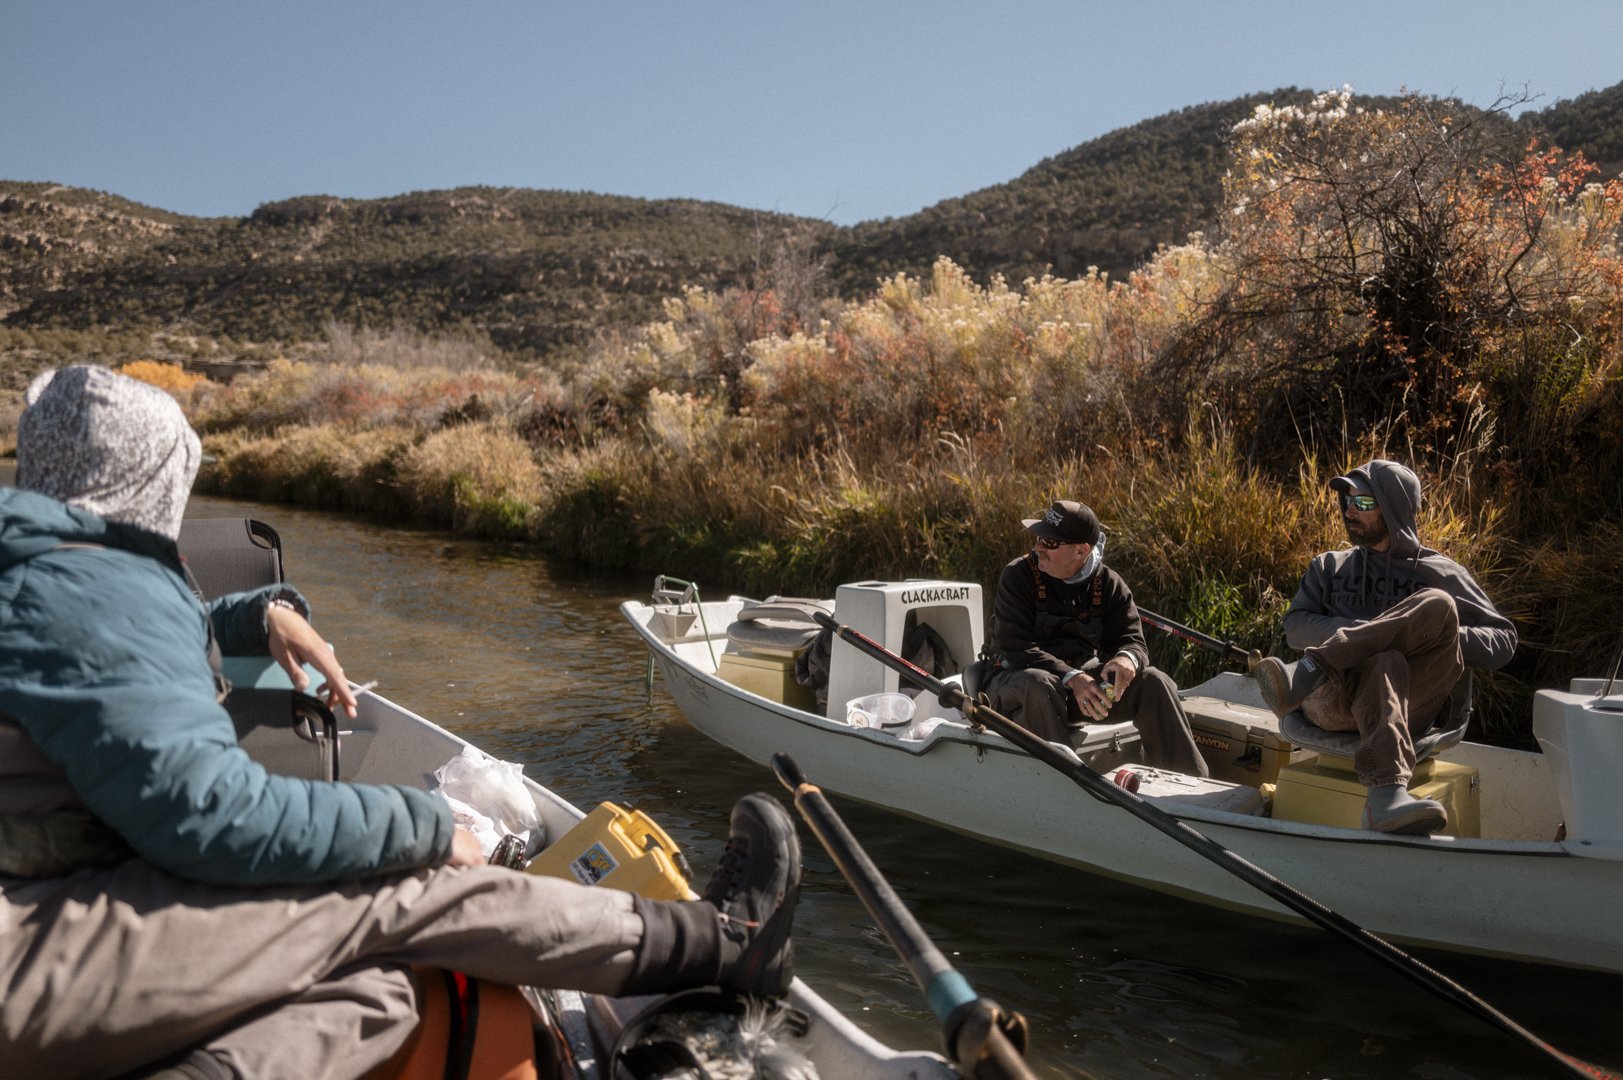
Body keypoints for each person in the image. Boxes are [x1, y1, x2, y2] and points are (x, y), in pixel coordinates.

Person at [0, 366, 800, 1080]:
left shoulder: (41, 569)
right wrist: (419, 820)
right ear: (151, 478)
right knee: (397, 890)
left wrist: (253, 617)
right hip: (26, 953)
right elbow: (216, 819)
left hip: (42, 920)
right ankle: (722, 941)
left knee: (381, 989)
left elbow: (98, 668)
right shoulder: (87, 590)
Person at [1253, 459, 1517, 835]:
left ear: (1395, 508)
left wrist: (1428, 637)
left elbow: (1504, 641)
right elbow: (1295, 628)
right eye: (1347, 501)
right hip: (1333, 700)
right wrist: (1364, 634)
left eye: (1362, 503)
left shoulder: (1441, 574)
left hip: (1409, 702)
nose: (1348, 511)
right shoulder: (1329, 566)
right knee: (1381, 659)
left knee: (1435, 609)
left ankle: (1315, 667)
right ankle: (1385, 797)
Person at [982, 500, 1209, 776]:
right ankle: (1068, 784)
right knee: (1040, 684)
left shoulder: (1109, 583)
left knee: (1154, 682)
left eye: (1050, 542)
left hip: (1078, 689)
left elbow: (1133, 641)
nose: (1038, 547)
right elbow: (1015, 647)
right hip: (1012, 685)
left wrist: (1127, 660)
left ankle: (1187, 784)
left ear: (1081, 550)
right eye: (1039, 537)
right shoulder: (1017, 575)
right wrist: (1072, 677)